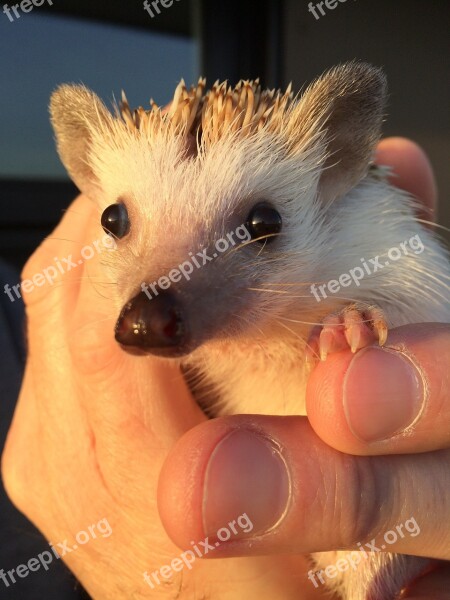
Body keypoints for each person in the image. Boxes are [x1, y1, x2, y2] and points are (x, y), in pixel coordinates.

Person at [2, 138, 449, 599]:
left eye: (258, 227)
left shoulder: (374, 244)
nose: (159, 292)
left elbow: (422, 299)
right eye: (120, 224)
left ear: (334, 176)